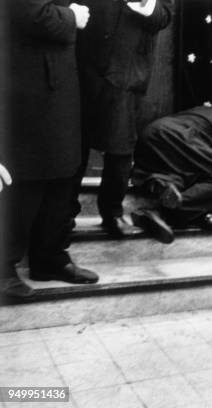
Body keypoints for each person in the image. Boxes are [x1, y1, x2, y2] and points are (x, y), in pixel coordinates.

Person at [1, 0, 99, 299]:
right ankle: (4, 268)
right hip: (30, 83)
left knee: (61, 173)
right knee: (29, 177)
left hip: (57, 80)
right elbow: (30, 12)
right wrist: (72, 16)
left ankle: (49, 259)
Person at [74, 0, 173, 238]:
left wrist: (145, 3)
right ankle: (63, 215)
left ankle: (112, 212)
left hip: (125, 71)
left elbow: (163, 16)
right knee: (75, 144)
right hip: (79, 63)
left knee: (120, 147)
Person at [132, 105, 212, 240]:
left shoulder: (199, 111)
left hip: (151, 133)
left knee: (186, 175)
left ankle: (160, 183)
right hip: (180, 136)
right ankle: (162, 212)